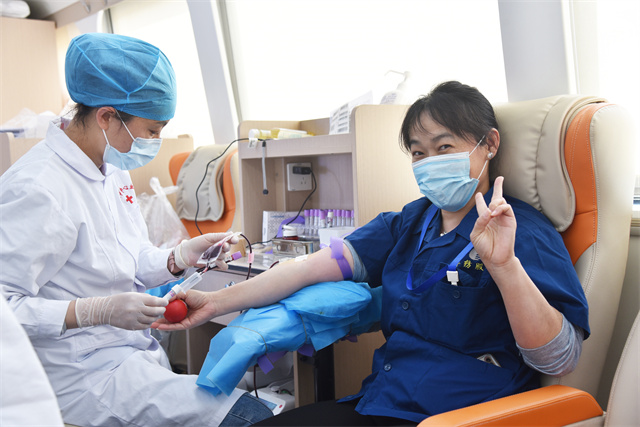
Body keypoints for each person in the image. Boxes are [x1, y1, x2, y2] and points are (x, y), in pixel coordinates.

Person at [155, 81, 589, 425]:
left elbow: (559, 358)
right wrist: (215, 302)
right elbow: (306, 270)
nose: (430, 161)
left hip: (461, 413)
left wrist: (504, 267)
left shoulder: (523, 232)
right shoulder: (411, 222)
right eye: (418, 153)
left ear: (489, 144)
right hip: (383, 401)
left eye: (444, 148)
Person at [0, 33, 272, 427]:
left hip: (131, 356)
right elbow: (5, 308)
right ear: (107, 117)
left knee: (250, 410)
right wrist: (92, 311)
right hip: (79, 376)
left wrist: (179, 257)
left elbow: (128, 259)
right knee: (246, 417)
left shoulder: (111, 168)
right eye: (152, 130)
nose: (156, 142)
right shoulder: (37, 188)